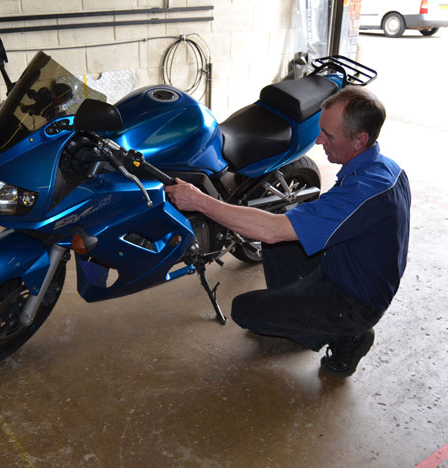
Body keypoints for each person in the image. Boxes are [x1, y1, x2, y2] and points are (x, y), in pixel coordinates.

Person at [164, 85, 411, 378]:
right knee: (279, 244)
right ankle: (297, 311)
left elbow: (272, 230)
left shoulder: (361, 192)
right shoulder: (386, 168)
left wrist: (200, 202)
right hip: (350, 264)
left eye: (328, 135)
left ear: (360, 140)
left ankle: (349, 336)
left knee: (245, 310)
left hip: (355, 301)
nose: (318, 140)